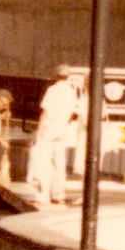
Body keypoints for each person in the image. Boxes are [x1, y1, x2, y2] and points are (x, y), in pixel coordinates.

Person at [35, 69, 86, 204]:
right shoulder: (71, 92)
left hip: (48, 129)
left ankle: (44, 194)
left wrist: (39, 130)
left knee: (45, 162)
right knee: (60, 163)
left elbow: (45, 111)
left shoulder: (52, 90)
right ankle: (58, 195)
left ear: (56, 76)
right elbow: (74, 114)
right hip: (63, 130)